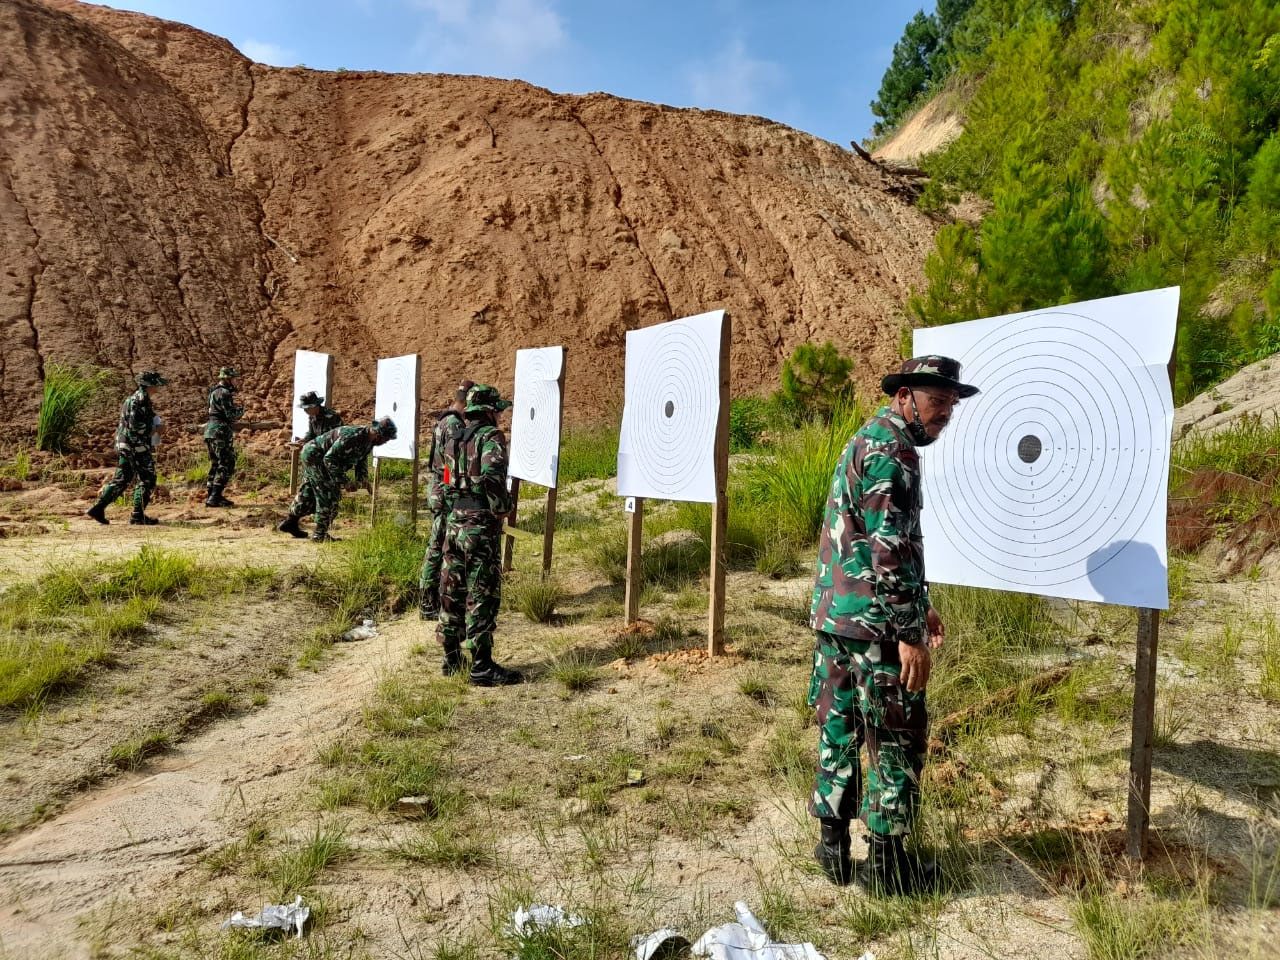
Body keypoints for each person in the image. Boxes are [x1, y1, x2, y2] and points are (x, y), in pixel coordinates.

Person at [807, 355, 978, 894]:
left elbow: (870, 538)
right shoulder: (894, 451)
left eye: (951, 406)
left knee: (838, 728)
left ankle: (832, 850)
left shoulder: (869, 437)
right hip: (876, 627)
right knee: (895, 739)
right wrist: (909, 634)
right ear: (905, 396)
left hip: (838, 616)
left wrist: (919, 602)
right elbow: (887, 549)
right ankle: (887, 868)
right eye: (936, 402)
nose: (944, 414)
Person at [436, 384, 521, 685]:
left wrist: (454, 510)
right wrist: (501, 508)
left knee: (451, 588)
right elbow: (494, 475)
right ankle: (481, 664)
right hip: (480, 523)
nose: (499, 415)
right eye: (497, 410)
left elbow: (444, 478)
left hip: (454, 520)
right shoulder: (490, 437)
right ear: (488, 411)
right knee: (481, 590)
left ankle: (450, 657)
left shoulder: (453, 437)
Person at [418, 379, 474, 619]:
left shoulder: (445, 419)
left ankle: (432, 599)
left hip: (439, 486)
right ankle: (427, 602)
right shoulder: (453, 424)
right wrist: (457, 486)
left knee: (439, 543)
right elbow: (451, 464)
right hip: (444, 489)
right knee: (438, 544)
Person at [86, 371, 169, 525]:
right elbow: (135, 427)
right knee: (147, 478)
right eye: (156, 384)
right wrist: (156, 429)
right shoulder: (138, 401)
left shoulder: (140, 400)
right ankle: (137, 515)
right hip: (135, 446)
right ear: (149, 385)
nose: (159, 387)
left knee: (122, 479)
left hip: (129, 445)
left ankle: (98, 508)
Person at [295, 417, 396, 542]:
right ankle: (319, 535)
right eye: (386, 439)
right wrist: (345, 481)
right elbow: (329, 459)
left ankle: (290, 521)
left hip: (319, 457)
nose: (386, 442)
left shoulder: (369, 441)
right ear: (378, 434)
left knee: (309, 492)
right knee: (329, 494)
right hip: (315, 456)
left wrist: (363, 479)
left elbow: (361, 460)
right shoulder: (352, 437)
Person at [277, 392, 344, 538]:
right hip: (314, 460)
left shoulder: (332, 418)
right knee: (308, 492)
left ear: (316, 405)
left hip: (326, 462)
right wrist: (304, 441)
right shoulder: (313, 416)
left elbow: (334, 442)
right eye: (305, 408)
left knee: (327, 495)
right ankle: (294, 523)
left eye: (308, 408)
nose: (306, 411)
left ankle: (313, 529)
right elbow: (312, 435)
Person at [204, 366, 244, 507]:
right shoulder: (225, 393)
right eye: (234, 378)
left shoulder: (213, 391)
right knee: (227, 463)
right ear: (228, 379)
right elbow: (230, 415)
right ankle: (215, 497)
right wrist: (241, 410)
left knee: (216, 463)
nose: (236, 381)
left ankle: (212, 495)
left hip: (210, 430)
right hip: (220, 431)